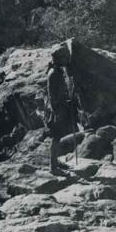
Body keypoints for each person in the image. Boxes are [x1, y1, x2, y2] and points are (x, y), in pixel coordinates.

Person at [45, 42, 78, 175]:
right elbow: (52, 96)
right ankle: (53, 167)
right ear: (59, 59)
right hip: (55, 110)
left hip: (59, 107)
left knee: (57, 136)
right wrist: (57, 112)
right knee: (56, 137)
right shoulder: (54, 73)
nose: (68, 59)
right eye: (65, 57)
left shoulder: (58, 71)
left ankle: (56, 161)